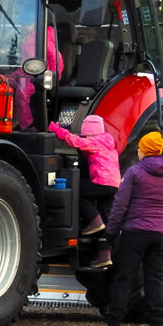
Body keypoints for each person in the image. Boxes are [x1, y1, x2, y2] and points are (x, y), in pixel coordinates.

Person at [103, 131, 163, 326]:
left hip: (135, 232)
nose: (137, 151)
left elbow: (120, 204)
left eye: (139, 147)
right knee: (155, 279)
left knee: (124, 277)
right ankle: (157, 323)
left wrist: (111, 231)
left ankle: (114, 323)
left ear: (145, 150)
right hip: (160, 234)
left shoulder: (134, 172)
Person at [48, 114, 121, 267]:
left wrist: (55, 129)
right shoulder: (110, 144)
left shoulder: (94, 142)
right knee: (107, 220)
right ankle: (104, 255)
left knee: (78, 193)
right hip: (114, 185)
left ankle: (94, 220)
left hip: (101, 182)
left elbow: (75, 141)